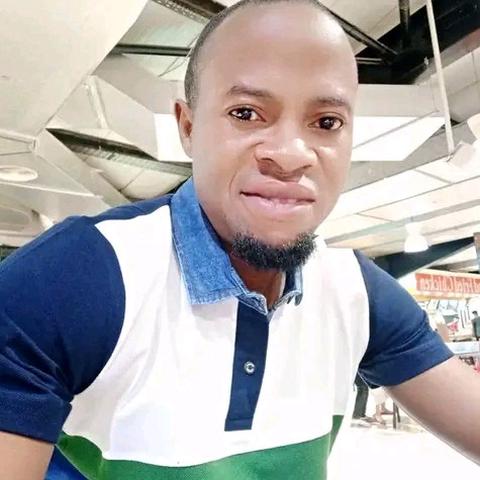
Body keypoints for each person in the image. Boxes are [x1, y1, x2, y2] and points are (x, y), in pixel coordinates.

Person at [1, 1, 480, 478]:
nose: (291, 155)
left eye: (327, 122)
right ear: (188, 127)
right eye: (247, 113)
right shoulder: (73, 279)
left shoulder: (357, 293)